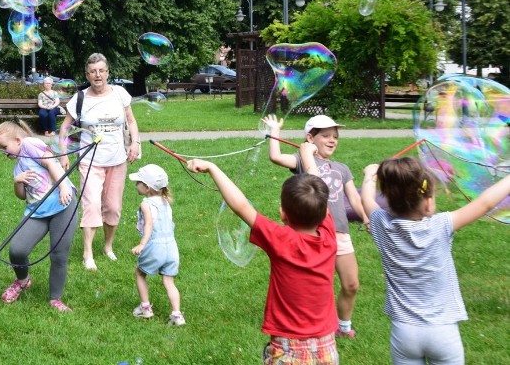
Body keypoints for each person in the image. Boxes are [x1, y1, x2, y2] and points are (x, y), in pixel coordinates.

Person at [188, 151, 339, 365]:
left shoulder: (281, 239)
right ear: (324, 213)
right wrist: (307, 155)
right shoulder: (329, 236)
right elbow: (319, 192)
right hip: (326, 345)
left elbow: (241, 206)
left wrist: (213, 167)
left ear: (282, 213)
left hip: (288, 346)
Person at [361, 157, 510, 365]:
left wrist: (369, 175)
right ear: (428, 201)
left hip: (405, 331)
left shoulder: (380, 223)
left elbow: (366, 199)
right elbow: (485, 203)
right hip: (443, 331)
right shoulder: (441, 225)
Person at [264, 113, 367, 339]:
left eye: (335, 137)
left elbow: (355, 198)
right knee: (315, 286)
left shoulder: (342, 168)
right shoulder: (302, 160)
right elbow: (276, 157)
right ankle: (311, 323)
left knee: (351, 284)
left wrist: (366, 218)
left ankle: (344, 326)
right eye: (326, 136)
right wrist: (275, 131)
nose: (332, 140)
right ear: (310, 138)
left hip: (339, 234)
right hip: (313, 235)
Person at [59, 53, 141, 271]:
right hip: (90, 160)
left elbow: (131, 121)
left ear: (107, 73)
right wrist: (64, 153)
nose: (97, 75)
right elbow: (65, 128)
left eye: (101, 71)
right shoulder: (80, 99)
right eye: (93, 71)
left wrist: (135, 143)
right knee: (92, 204)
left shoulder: (120, 94)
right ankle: (88, 253)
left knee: (113, 207)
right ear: (87, 74)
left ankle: (107, 247)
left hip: (117, 159)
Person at [0, 120, 77, 311]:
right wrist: (17, 182)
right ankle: (23, 281)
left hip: (62, 204)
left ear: (18, 140)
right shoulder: (18, 167)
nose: (3, 151)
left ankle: (55, 298)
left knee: (58, 254)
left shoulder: (29, 144)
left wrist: (64, 187)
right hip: (37, 211)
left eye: (4, 146)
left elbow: (51, 162)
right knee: (17, 250)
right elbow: (22, 196)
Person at [129, 164, 183, 326]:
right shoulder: (166, 202)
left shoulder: (146, 203)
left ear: (147, 187)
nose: (135, 184)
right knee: (169, 281)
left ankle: (145, 308)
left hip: (155, 246)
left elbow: (149, 225)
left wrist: (142, 244)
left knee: (139, 273)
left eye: (138, 182)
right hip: (172, 248)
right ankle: (177, 315)